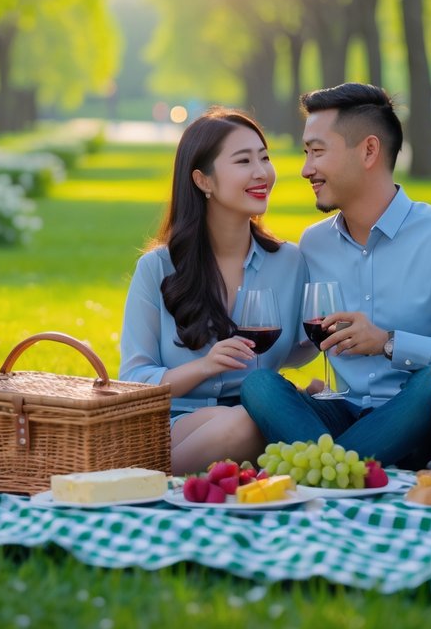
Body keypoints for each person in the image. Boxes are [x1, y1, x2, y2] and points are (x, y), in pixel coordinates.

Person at [240, 83, 431, 468]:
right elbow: (302, 341)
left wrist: (390, 343)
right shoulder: (314, 243)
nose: (305, 169)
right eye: (306, 153)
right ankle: (349, 469)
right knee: (260, 386)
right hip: (340, 411)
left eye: (317, 152)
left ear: (369, 150)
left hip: (418, 419)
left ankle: (330, 469)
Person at [120, 108, 308, 474]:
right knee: (244, 422)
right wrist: (205, 366)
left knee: (258, 416)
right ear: (203, 181)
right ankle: (143, 475)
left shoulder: (289, 261)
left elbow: (300, 349)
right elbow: (134, 380)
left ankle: (140, 479)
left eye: (264, 158)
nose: (262, 172)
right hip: (179, 424)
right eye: (243, 160)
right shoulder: (158, 268)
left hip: (257, 415)